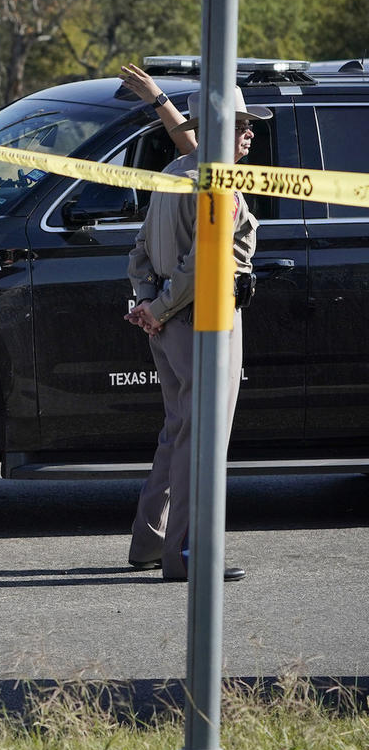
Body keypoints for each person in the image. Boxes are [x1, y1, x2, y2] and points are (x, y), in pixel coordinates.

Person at [124, 85, 270, 582]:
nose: (250, 133)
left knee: (179, 432)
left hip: (169, 324)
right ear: (218, 132)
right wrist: (161, 306)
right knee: (203, 441)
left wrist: (149, 303)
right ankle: (186, 554)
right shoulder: (216, 187)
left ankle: (151, 540)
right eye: (243, 124)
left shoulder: (174, 175)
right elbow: (204, 262)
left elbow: (140, 249)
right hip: (203, 321)